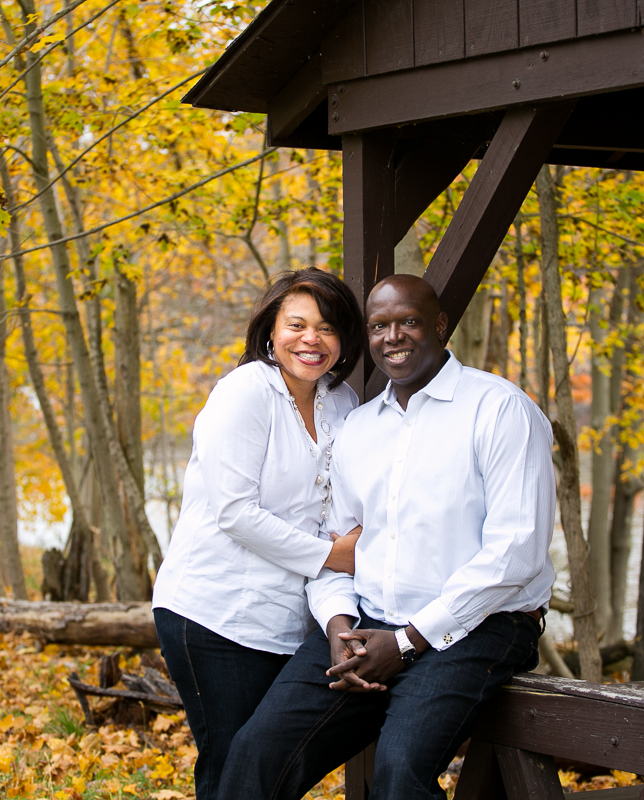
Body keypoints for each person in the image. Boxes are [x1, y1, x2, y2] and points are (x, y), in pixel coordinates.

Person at [218, 274, 556, 800]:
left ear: (440, 325)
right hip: (367, 628)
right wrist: (336, 625)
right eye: (379, 326)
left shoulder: (499, 409)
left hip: (479, 626)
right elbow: (337, 545)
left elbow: (517, 555)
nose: (392, 336)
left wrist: (407, 641)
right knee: (255, 755)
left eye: (409, 322)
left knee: (398, 779)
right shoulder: (359, 428)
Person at [152, 268, 366, 800]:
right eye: (297, 324)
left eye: (327, 328)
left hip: (288, 618)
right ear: (271, 330)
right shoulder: (245, 393)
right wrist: (331, 558)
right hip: (214, 611)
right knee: (231, 763)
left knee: (264, 769)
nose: (311, 340)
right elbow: (235, 512)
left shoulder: (343, 404)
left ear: (345, 341)